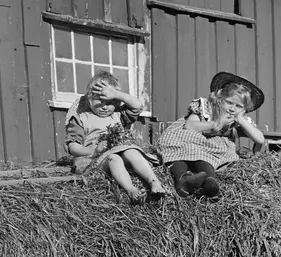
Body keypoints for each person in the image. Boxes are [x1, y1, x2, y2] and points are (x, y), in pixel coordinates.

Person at [155, 71, 267, 199]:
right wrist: (217, 123)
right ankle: (183, 181)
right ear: (220, 98)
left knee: (205, 157)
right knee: (182, 151)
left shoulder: (239, 119)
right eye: (229, 102)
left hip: (211, 148)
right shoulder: (206, 108)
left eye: (238, 106)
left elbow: (259, 139)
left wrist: (240, 119)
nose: (232, 109)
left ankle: (210, 182)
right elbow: (189, 126)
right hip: (188, 138)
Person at [64, 71, 167, 203]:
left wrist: (117, 94)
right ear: (89, 100)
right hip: (93, 160)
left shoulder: (117, 115)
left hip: (118, 151)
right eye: (99, 101)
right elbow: (71, 145)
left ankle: (154, 182)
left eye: (110, 101)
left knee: (132, 151)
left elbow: (137, 106)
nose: (104, 106)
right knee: (114, 158)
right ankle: (131, 189)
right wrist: (92, 150)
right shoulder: (82, 118)